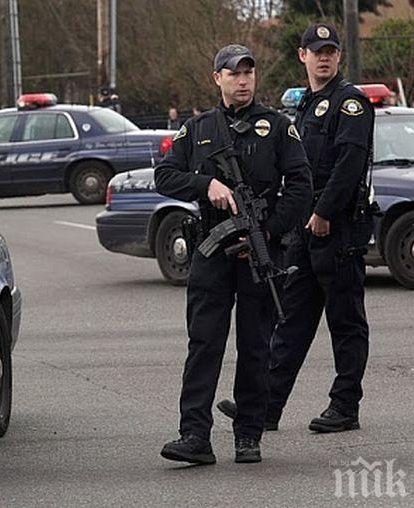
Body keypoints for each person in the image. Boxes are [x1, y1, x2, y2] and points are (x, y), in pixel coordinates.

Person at [156, 44, 312, 464]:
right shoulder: (198, 128)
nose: (242, 80)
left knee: (256, 344)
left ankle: (248, 435)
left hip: (260, 253)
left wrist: (267, 230)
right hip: (212, 249)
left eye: (248, 72)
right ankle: (194, 436)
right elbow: (164, 176)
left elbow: (300, 185)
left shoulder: (277, 127)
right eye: (233, 73)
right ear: (217, 78)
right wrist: (204, 184)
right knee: (204, 343)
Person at [217, 23, 375, 434]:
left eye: (331, 51)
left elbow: (349, 165)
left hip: (336, 226)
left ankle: (345, 406)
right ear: (302, 55)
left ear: (339, 56)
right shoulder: (305, 105)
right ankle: (266, 406)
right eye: (316, 50)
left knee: (345, 320)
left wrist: (323, 211)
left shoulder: (350, 104)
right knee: (291, 320)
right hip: (305, 228)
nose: (324, 57)